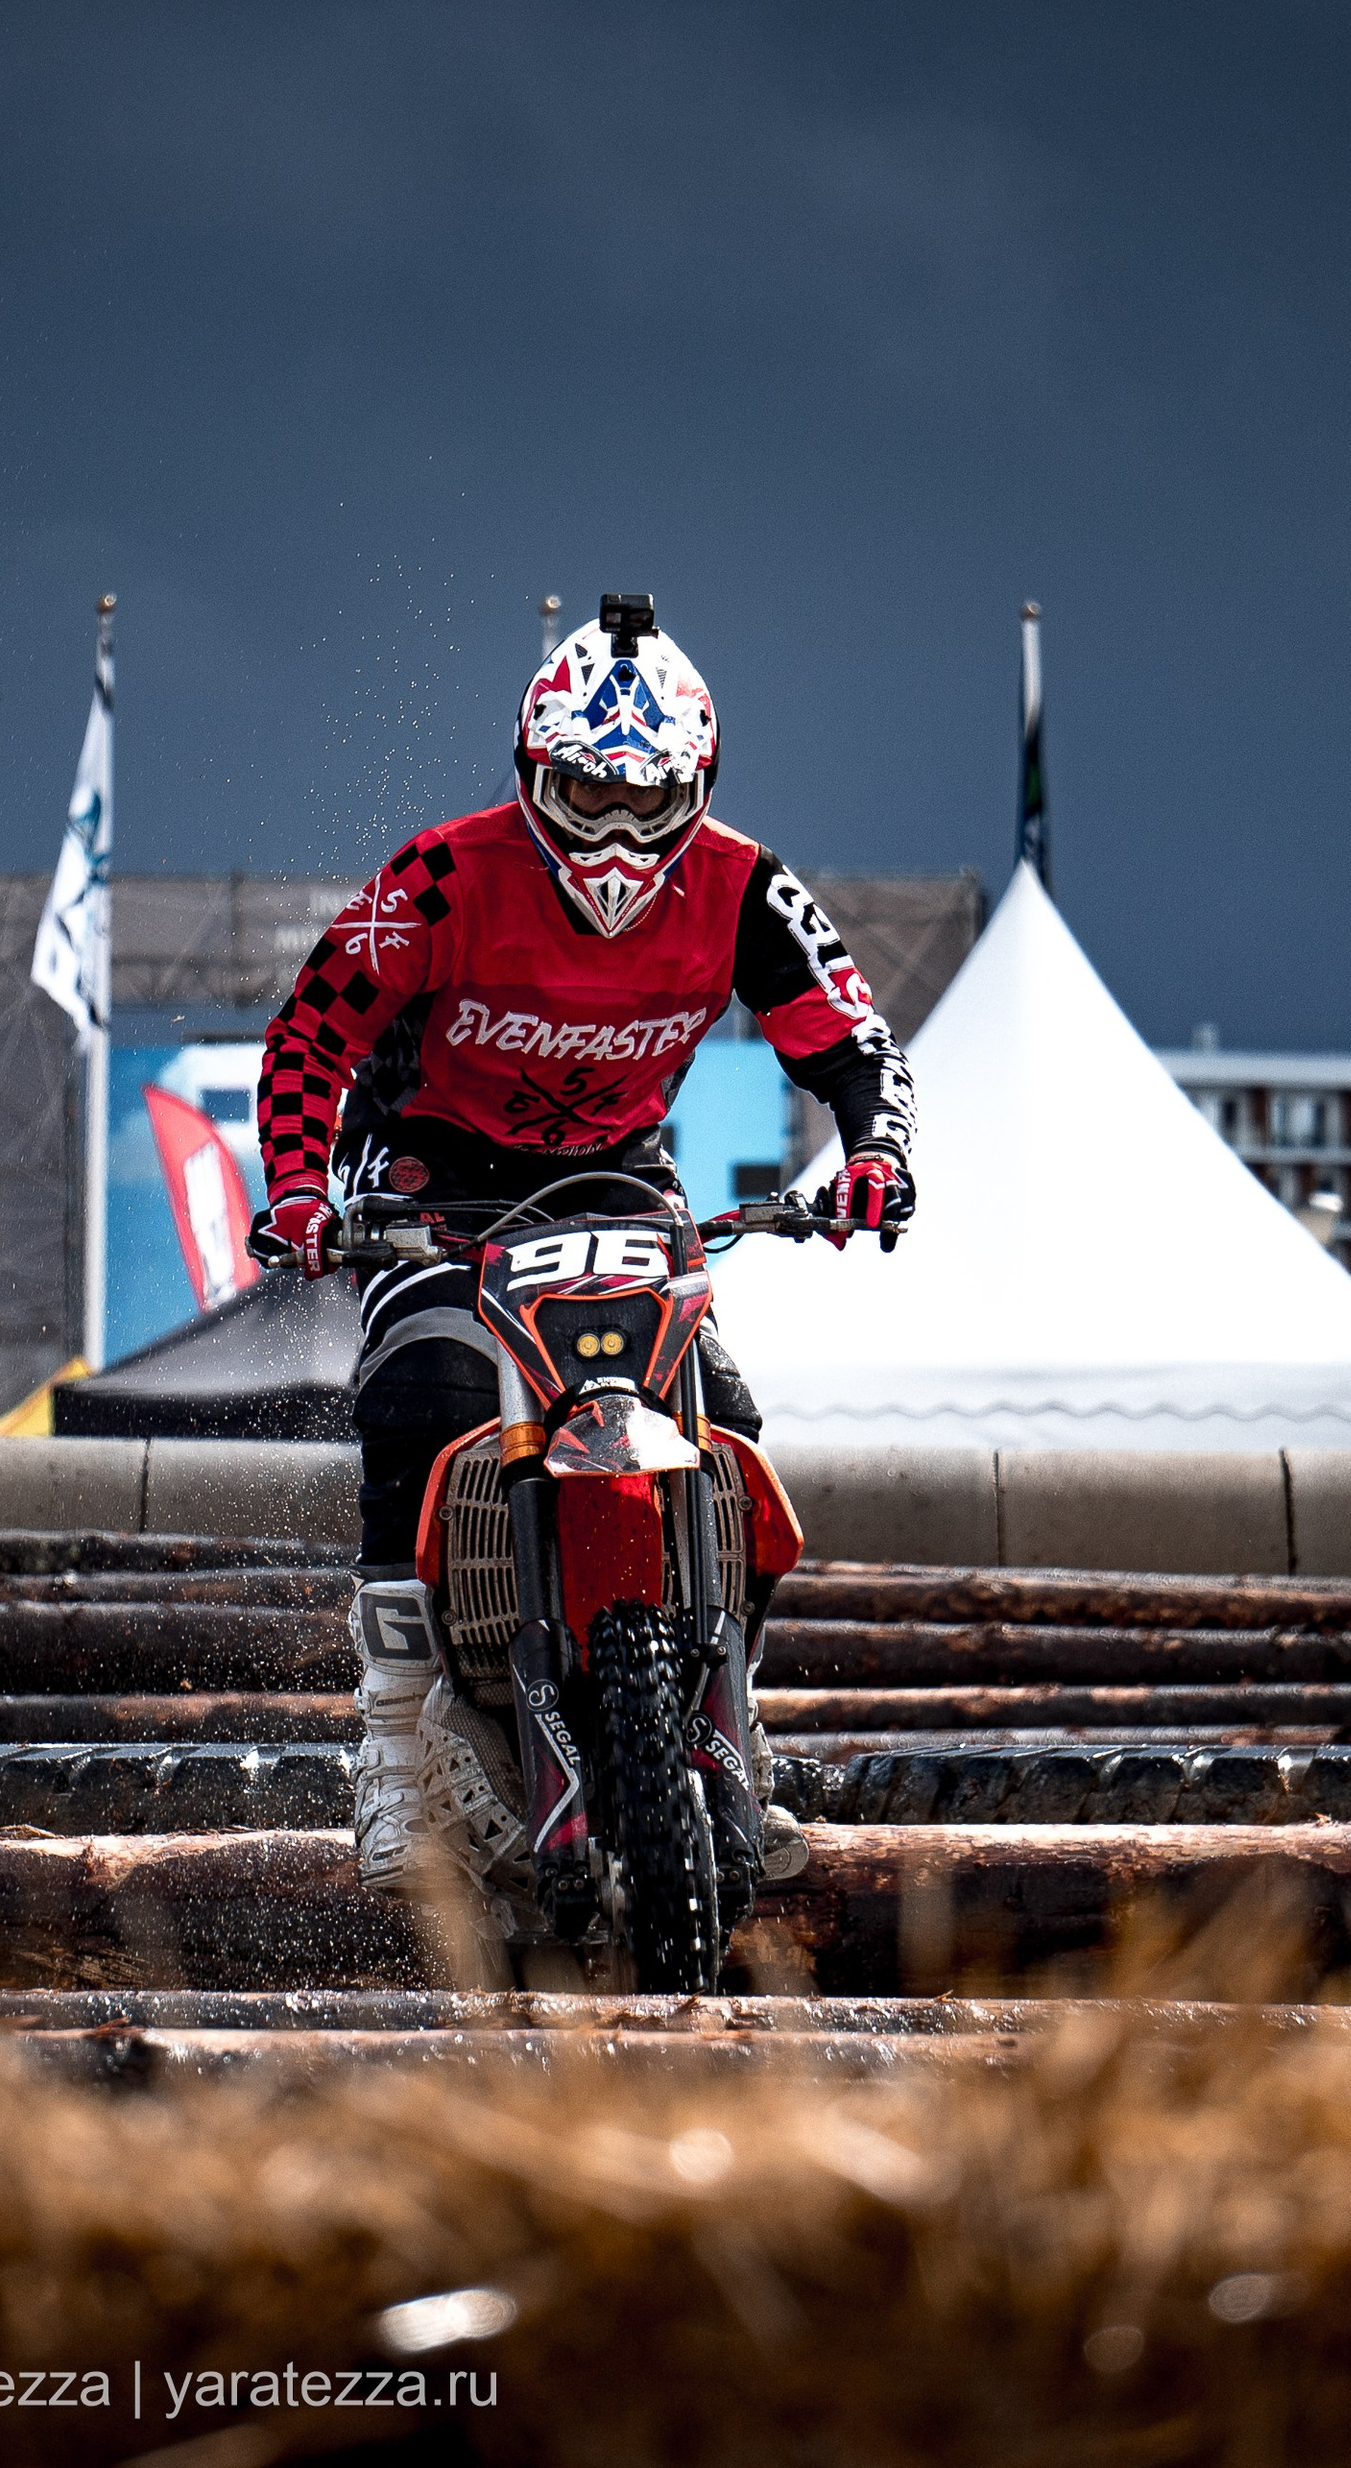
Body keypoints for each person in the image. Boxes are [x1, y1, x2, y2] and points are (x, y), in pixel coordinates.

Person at [258, 593, 918, 1893]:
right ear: (531, 772)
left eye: (646, 803)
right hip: (438, 1171)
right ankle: (393, 1747)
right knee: (422, 1395)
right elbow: (311, 1031)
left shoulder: (745, 886)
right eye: (585, 796)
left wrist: (877, 1157)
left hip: (619, 1177)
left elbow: (854, 1041)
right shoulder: (443, 876)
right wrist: (297, 1190)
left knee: (723, 1417)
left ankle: (734, 1727)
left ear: (699, 788)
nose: (615, 838)